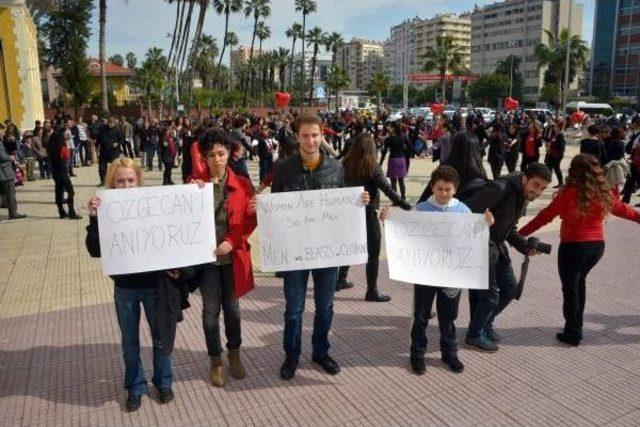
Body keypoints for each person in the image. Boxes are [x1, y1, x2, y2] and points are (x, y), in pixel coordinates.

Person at [271, 114, 369, 381]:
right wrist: (263, 211)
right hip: (295, 251)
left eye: (315, 135)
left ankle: (320, 351)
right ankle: (291, 355)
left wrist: (359, 199)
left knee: (325, 306)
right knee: (294, 309)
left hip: (327, 251)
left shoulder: (336, 168)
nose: (311, 140)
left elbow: (344, 205)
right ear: (297, 136)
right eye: (305, 135)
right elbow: (275, 209)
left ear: (322, 135)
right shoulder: (283, 169)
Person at [381, 165, 494, 374]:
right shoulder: (421, 209)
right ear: (432, 187)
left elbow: (474, 236)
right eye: (439, 188)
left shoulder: (463, 210)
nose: (443, 193)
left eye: (448, 189)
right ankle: (417, 353)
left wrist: (486, 223)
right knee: (421, 315)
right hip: (425, 274)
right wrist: (388, 220)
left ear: (455, 189)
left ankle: (449, 352)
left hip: (452, 275)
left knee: (448, 316)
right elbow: (404, 230)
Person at [519, 154, 640, 346]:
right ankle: (576, 325)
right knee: (578, 284)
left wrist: (519, 233)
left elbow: (544, 217)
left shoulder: (568, 193)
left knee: (571, 289)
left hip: (573, 247)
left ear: (574, 171)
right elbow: (624, 210)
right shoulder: (603, 192)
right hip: (596, 247)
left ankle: (573, 331)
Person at [85, 158, 175, 411]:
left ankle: (163, 381)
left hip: (153, 285)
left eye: (131, 180)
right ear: (112, 183)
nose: (126, 186)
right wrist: (94, 219)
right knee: (130, 341)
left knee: (160, 337)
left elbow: (169, 238)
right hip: (124, 288)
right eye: (120, 181)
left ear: (139, 181)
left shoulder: (151, 206)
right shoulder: (106, 209)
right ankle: (135, 386)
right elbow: (94, 250)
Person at [189, 129, 257, 388]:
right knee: (209, 313)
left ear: (229, 153)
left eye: (221, 153)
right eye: (211, 155)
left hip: (233, 259)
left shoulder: (242, 184)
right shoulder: (194, 185)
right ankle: (216, 360)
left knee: (233, 310)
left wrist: (232, 240)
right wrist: (190, 192)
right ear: (204, 158)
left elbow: (249, 221)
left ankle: (234, 353)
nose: (217, 159)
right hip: (207, 262)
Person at [463, 163, 552, 351]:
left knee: (510, 288)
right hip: (480, 244)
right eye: (536, 185)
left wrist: (525, 247)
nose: (538, 191)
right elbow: (466, 211)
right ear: (525, 179)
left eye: (543, 188)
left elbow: (510, 228)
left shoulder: (523, 196)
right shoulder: (501, 188)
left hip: (497, 245)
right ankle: (474, 334)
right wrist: (482, 222)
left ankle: (484, 324)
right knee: (490, 294)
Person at [336, 133, 411, 300]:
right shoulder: (371, 166)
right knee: (373, 251)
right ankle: (371, 290)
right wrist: (403, 204)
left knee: (348, 246)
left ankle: (340, 279)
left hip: (348, 213)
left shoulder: (345, 164)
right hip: (367, 211)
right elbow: (387, 188)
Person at [47, 126, 82, 220]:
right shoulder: (61, 147)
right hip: (62, 172)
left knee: (58, 191)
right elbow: (67, 156)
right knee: (71, 191)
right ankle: (72, 213)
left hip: (55, 172)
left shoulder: (51, 148)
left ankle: (61, 212)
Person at [380, 122, 409, 200]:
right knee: (401, 180)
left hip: (393, 159)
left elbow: (384, 151)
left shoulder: (389, 138)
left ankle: (395, 200)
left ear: (393, 128)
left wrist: (381, 162)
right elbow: (409, 146)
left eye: (389, 127)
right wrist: (417, 152)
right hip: (402, 160)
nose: (388, 128)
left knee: (393, 181)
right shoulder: (403, 136)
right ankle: (403, 197)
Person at [0, 141, 26, 219]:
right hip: (5, 173)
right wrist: (10, 157)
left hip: (3, 173)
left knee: (2, 195)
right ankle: (13, 214)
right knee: (10, 195)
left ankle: (13, 213)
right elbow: (2, 157)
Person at [96, 117, 124, 186]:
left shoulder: (118, 130)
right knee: (101, 167)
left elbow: (123, 140)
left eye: (112, 123)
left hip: (114, 151)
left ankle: (115, 181)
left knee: (114, 167)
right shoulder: (102, 129)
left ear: (114, 123)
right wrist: (97, 147)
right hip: (104, 151)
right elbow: (98, 139)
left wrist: (118, 143)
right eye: (109, 123)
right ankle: (103, 181)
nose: (110, 125)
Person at [543, 119, 566, 188]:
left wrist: (559, 156)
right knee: (555, 169)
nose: (554, 128)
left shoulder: (560, 135)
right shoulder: (555, 134)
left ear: (559, 128)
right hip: (551, 155)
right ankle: (560, 183)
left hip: (556, 156)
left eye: (555, 126)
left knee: (551, 168)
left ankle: (547, 182)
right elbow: (549, 140)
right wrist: (542, 136)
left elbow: (561, 147)